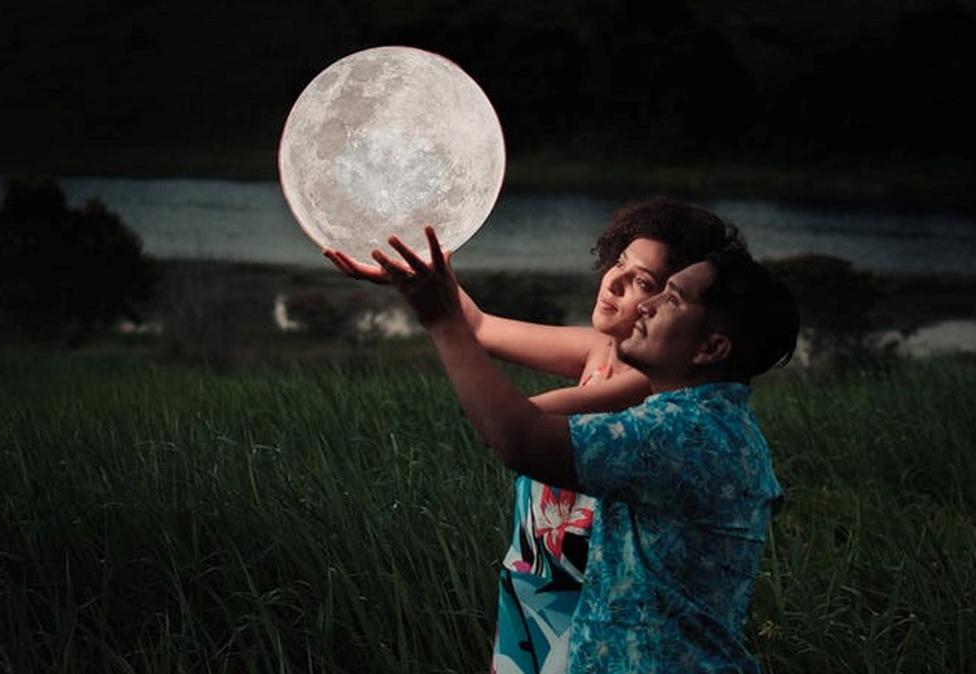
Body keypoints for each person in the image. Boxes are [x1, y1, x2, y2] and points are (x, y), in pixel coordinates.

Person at [334, 218, 799, 673]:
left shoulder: (684, 432)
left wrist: (441, 321)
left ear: (711, 349)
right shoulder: (698, 417)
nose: (643, 305)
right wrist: (424, 277)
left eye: (666, 295)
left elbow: (521, 434)